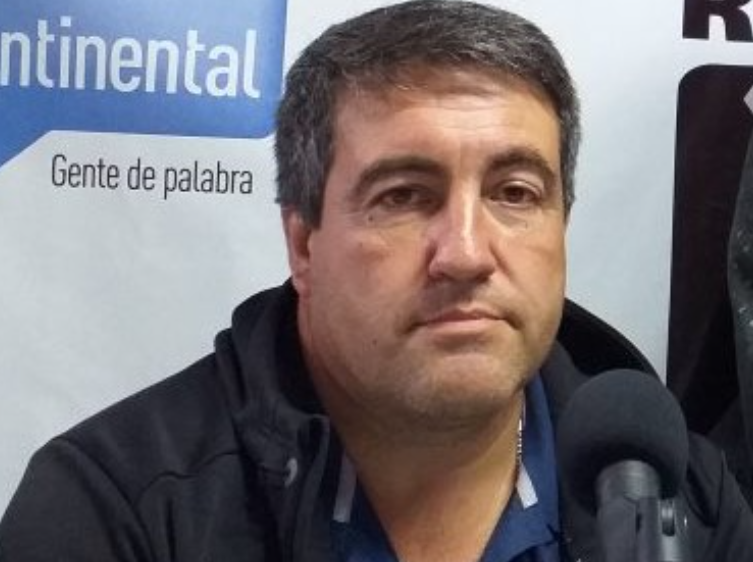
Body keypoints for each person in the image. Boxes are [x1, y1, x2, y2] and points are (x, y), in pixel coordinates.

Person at [1, 1, 752, 560]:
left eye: (515, 193)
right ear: (302, 241)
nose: (466, 253)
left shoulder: (682, 498)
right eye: (404, 196)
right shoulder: (117, 510)